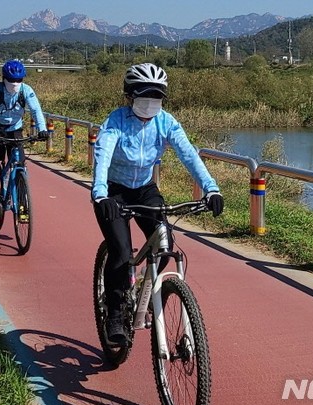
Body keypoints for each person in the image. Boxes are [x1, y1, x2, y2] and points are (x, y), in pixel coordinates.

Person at [91, 63, 224, 344]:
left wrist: (211, 188)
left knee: (165, 245)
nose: (151, 102)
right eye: (144, 95)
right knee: (121, 251)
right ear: (130, 96)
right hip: (113, 192)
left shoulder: (166, 122)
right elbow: (102, 155)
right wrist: (100, 193)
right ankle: (115, 313)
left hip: (145, 190)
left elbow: (189, 154)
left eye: (157, 96)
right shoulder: (116, 121)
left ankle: (143, 285)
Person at [0, 59, 49, 200]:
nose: (15, 83)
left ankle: (21, 198)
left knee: (20, 161)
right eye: (11, 80)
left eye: (19, 80)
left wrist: (43, 129)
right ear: (4, 78)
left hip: (15, 128)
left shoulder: (26, 90)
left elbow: (36, 110)